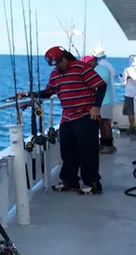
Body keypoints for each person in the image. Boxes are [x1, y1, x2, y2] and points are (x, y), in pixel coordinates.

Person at [19, 46, 107, 195]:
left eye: (59, 62)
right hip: (67, 117)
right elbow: (48, 92)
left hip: (85, 115)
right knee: (67, 151)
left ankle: (92, 183)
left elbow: (101, 85)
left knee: (87, 151)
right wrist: (29, 94)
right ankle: (70, 181)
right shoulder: (55, 74)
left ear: (65, 57)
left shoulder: (81, 67)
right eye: (55, 64)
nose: (58, 66)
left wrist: (96, 107)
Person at [87, 47, 117, 153]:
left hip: (105, 100)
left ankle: (109, 145)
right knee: (102, 122)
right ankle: (104, 143)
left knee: (105, 123)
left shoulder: (102, 68)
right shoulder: (105, 66)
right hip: (104, 100)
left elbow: (100, 85)